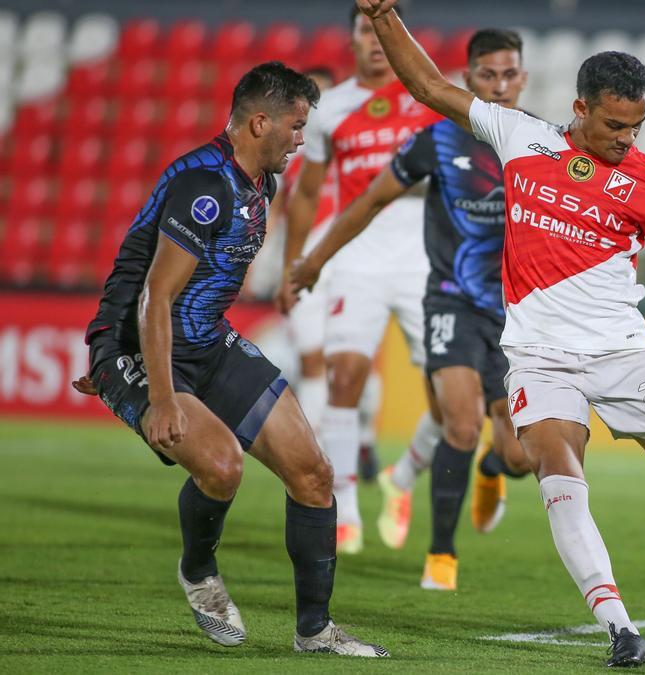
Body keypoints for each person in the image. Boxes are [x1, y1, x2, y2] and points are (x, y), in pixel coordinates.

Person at [354, 1, 645, 666]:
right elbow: (430, 87)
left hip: (621, 351)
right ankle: (621, 628)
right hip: (539, 355)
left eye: (636, 126)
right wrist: (384, 16)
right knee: (554, 469)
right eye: (613, 124)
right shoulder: (522, 137)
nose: (625, 139)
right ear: (580, 108)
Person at [75, 61, 388, 657]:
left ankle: (315, 632)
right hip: (142, 343)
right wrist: (156, 394)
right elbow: (156, 296)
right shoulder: (206, 188)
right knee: (221, 466)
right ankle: (199, 573)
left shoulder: (258, 180)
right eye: (296, 126)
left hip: (205, 339)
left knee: (314, 474)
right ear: (258, 123)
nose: (301, 139)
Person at [292, 28, 534, 591]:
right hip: (448, 298)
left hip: (517, 312)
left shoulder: (541, 143)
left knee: (520, 454)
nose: (499, 87)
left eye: (509, 74)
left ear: (523, 78)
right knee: (460, 420)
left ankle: (493, 472)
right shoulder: (436, 139)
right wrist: (313, 259)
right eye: (488, 75)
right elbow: (369, 200)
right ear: (467, 79)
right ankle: (440, 555)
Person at [278, 4, 444, 555]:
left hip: (426, 261)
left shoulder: (430, 99)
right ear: (350, 38)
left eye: (383, 31)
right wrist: (294, 265)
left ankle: (406, 471)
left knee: (449, 395)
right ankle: (343, 505)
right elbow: (306, 193)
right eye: (364, 29)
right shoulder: (331, 110)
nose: (374, 41)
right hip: (356, 259)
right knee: (343, 378)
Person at [267, 65, 385, 483]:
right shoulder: (292, 156)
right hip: (304, 261)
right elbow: (278, 209)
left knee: (351, 363)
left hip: (351, 260)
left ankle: (357, 443)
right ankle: (319, 456)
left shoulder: (358, 150)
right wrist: (272, 266)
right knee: (313, 362)